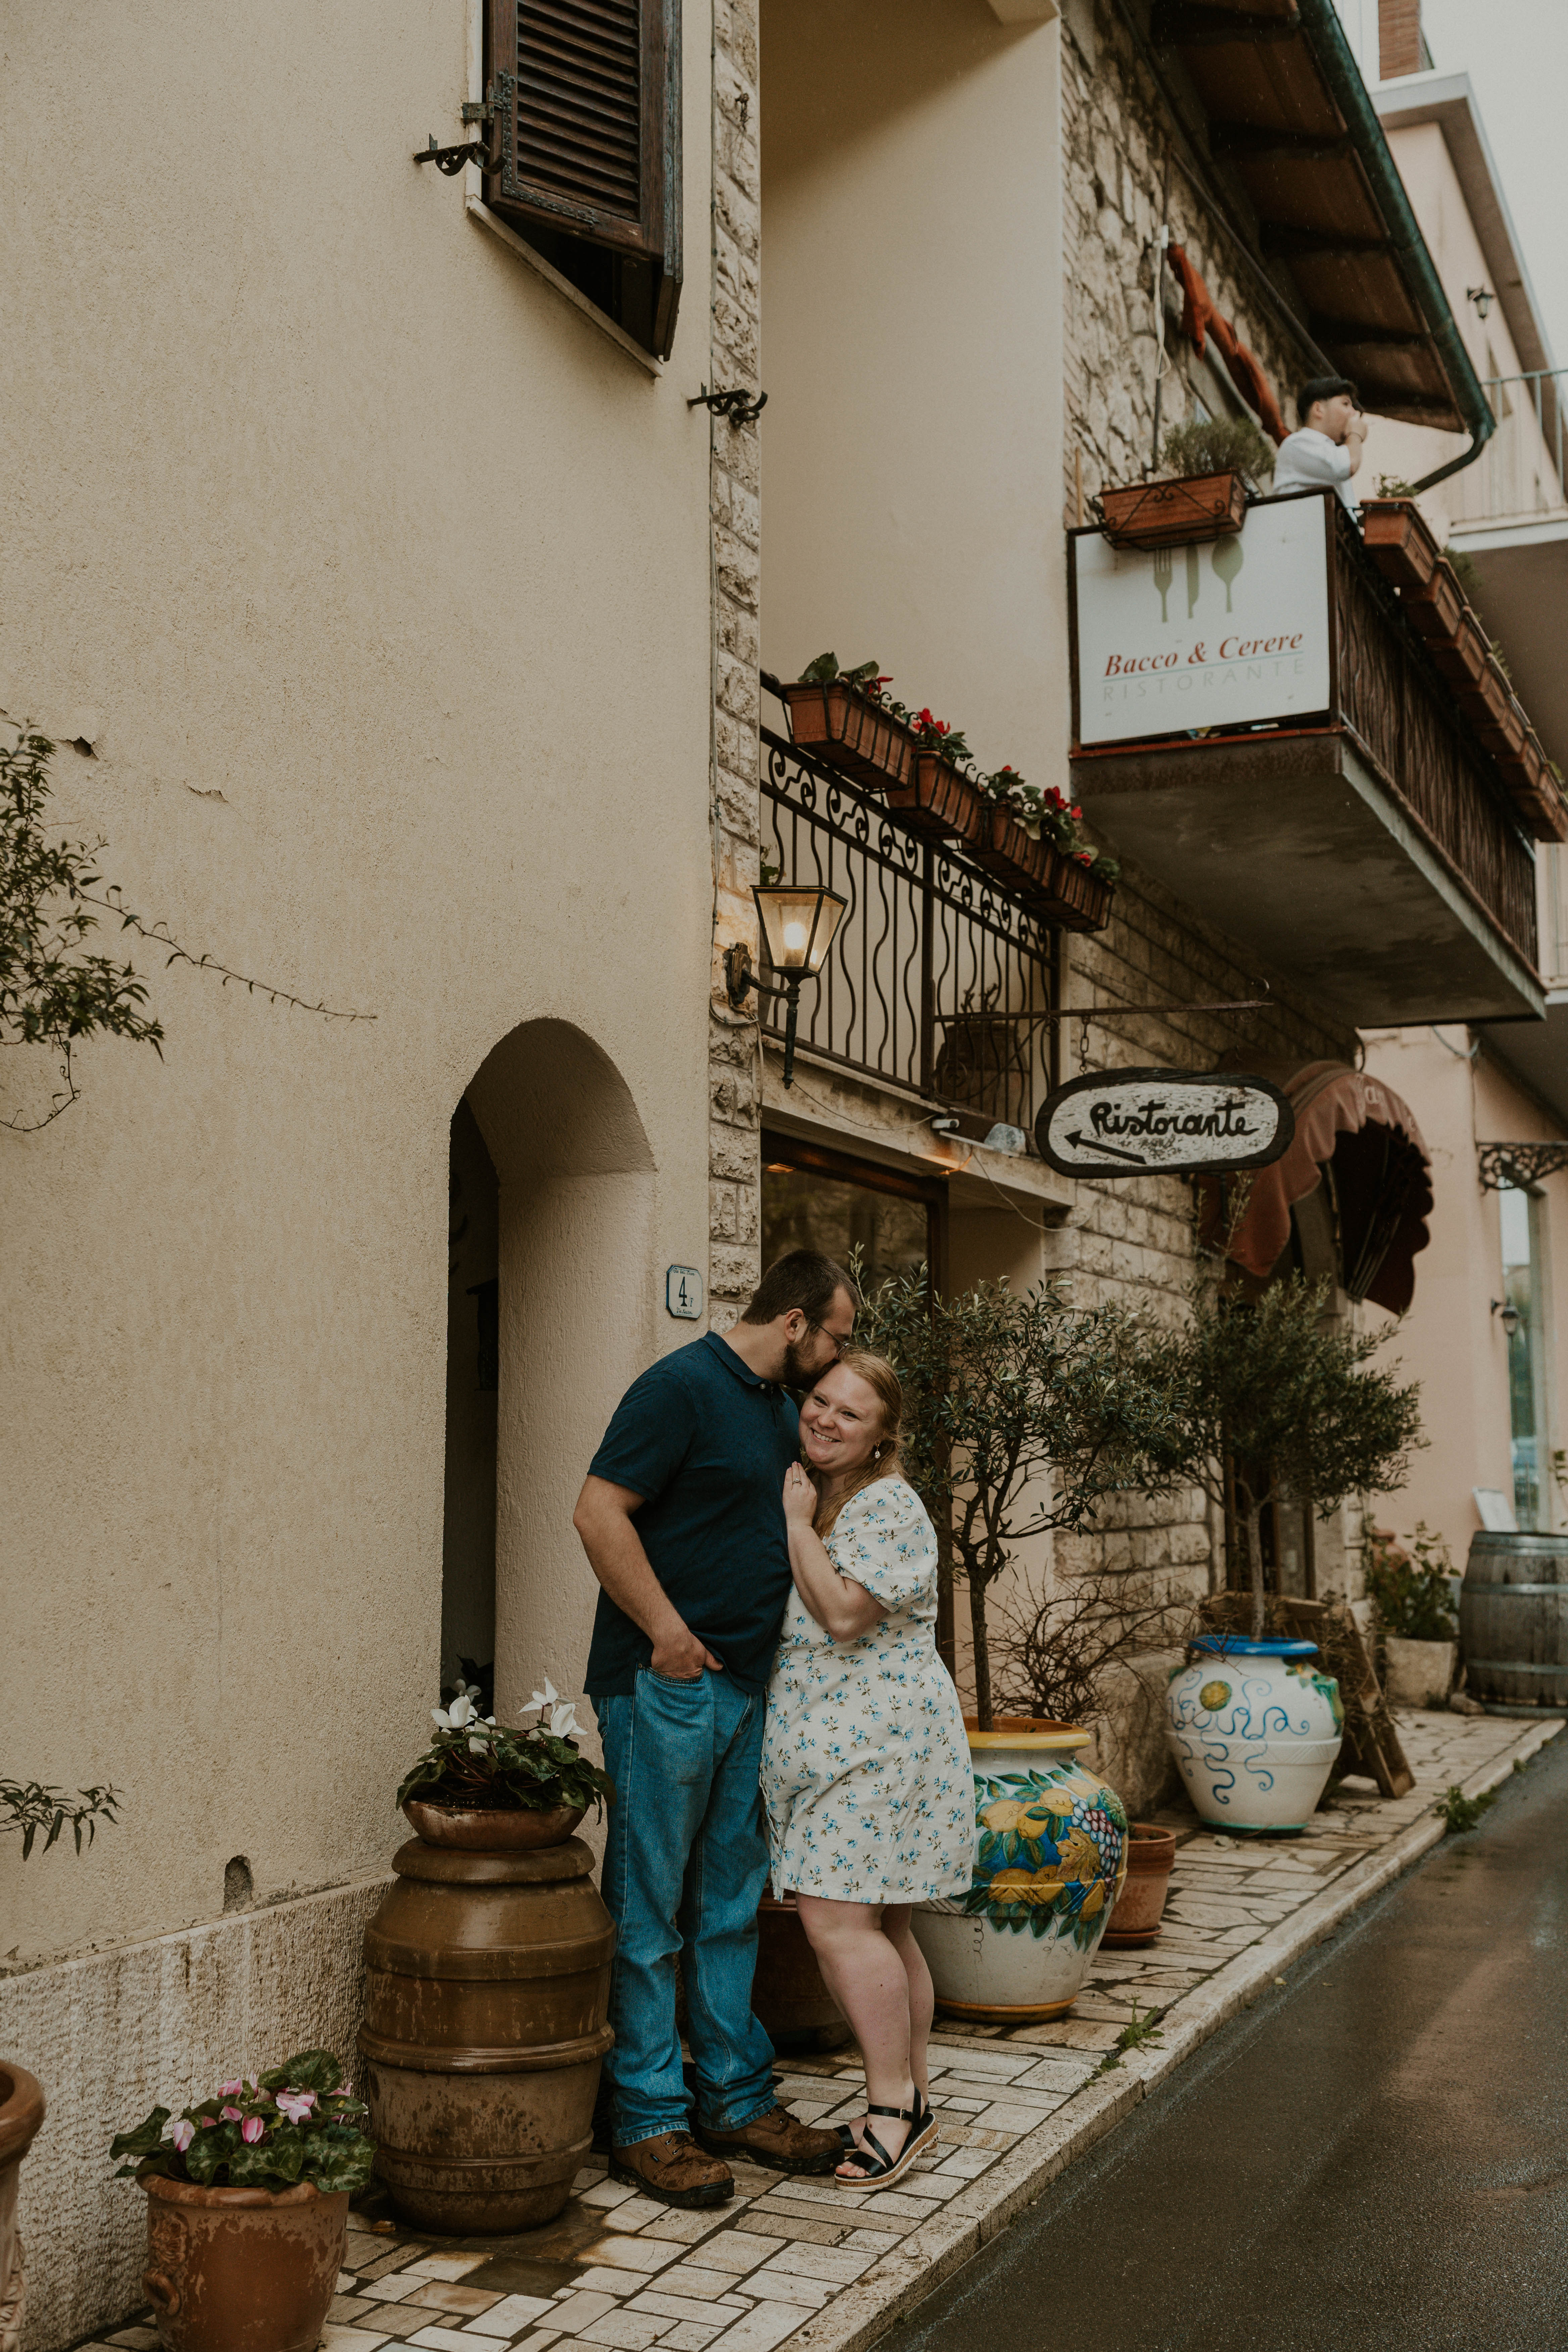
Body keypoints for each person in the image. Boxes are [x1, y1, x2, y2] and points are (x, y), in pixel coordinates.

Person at [573, 1250, 859, 2209]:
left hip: (747, 1691)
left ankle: (734, 2097)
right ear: (793, 1321)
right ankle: (648, 2119)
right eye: (837, 1336)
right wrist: (666, 1634)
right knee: (651, 1910)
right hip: (667, 1686)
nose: (838, 1356)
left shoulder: (784, 1413)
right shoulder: (679, 1388)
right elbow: (597, 1511)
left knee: (731, 1904)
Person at [762, 1351, 975, 2193]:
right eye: (819, 1400)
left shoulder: (884, 1503)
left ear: (883, 1434)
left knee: (838, 1927)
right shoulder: (840, 1498)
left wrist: (791, 1526)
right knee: (884, 1929)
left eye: (850, 1414)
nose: (825, 1418)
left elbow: (847, 1615)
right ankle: (910, 2095)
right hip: (850, 1753)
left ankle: (891, 2108)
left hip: (875, 1754)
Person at [1270, 374, 1367, 513]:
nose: (1353, 413)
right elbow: (1347, 465)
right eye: (1346, 404)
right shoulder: (1297, 443)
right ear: (1318, 409)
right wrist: (1356, 435)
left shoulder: (1333, 452)